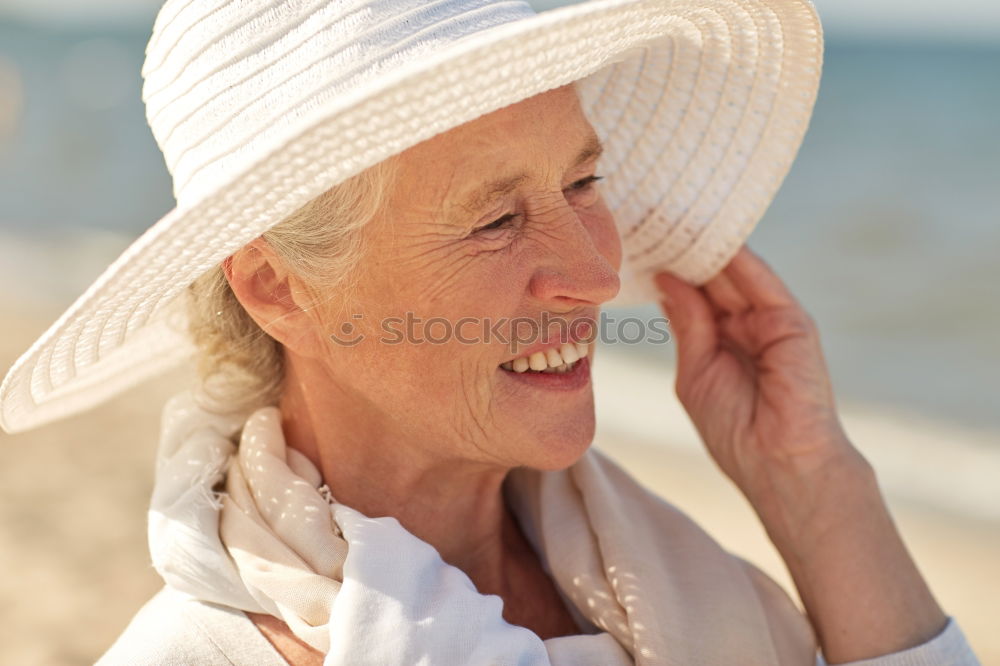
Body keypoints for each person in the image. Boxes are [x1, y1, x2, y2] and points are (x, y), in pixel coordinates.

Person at [0, 1, 981, 664]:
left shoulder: (665, 578)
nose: (599, 276)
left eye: (582, 181)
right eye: (495, 219)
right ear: (276, 286)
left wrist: (814, 486)